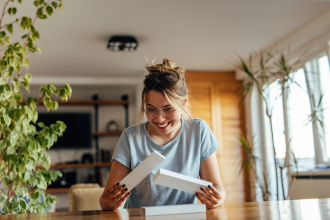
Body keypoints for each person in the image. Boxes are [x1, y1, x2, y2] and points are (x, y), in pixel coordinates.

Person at [99, 58, 226, 210]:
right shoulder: (130, 137)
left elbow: (218, 188)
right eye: (151, 109)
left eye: (168, 108)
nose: (159, 118)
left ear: (183, 103)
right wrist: (108, 203)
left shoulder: (198, 130)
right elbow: (105, 201)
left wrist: (218, 198)